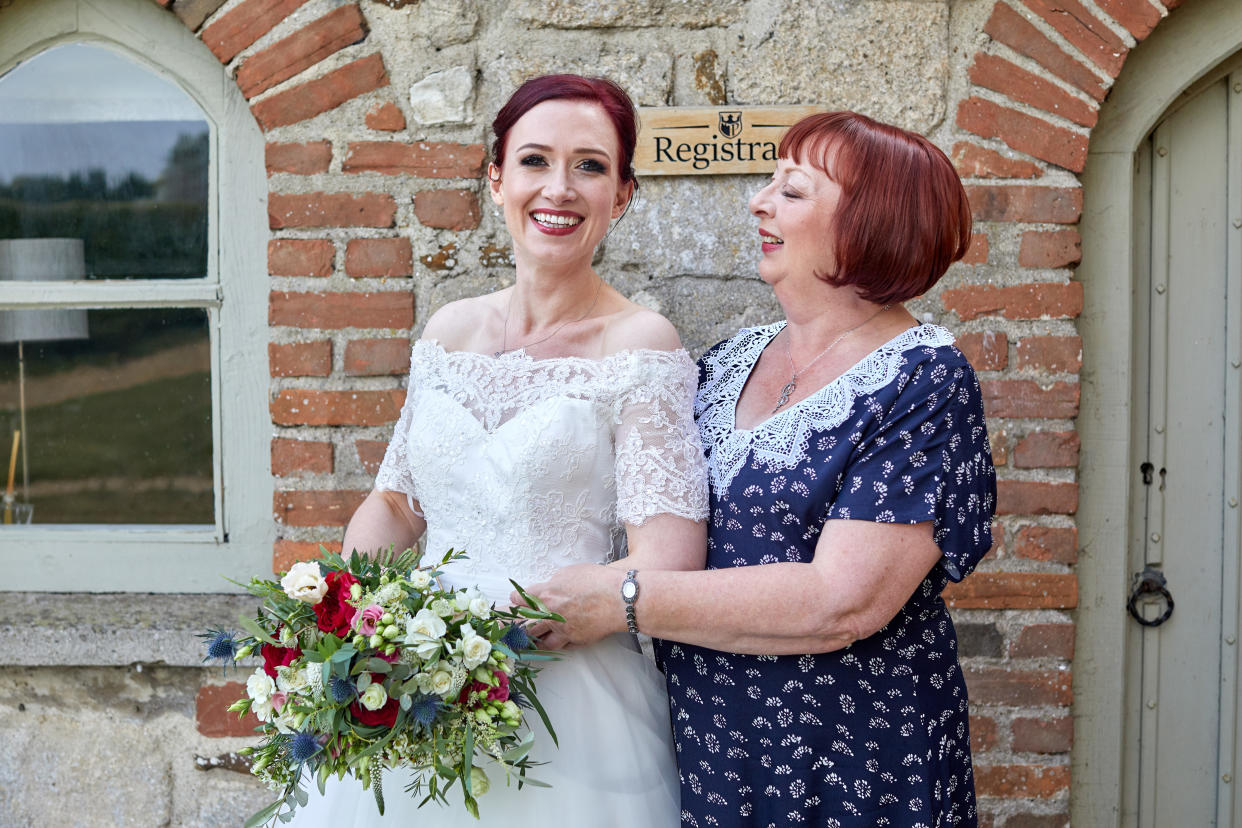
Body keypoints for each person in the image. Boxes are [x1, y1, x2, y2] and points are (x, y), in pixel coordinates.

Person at [522, 111, 997, 827]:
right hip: (710, 745)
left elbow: (846, 600)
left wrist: (619, 600)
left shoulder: (923, 381)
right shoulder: (726, 363)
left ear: (872, 223)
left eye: (794, 191)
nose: (759, 201)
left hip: (853, 756)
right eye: (770, 181)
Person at [295, 75, 708, 826]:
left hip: (565, 697)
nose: (559, 188)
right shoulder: (448, 331)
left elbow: (668, 558)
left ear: (622, 195)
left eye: (589, 166)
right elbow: (396, 503)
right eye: (535, 161)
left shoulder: (641, 345)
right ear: (496, 179)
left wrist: (529, 622)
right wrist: (353, 609)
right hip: (412, 674)